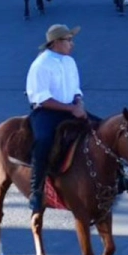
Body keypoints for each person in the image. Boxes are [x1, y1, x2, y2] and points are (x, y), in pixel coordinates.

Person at [25, 25, 86, 220]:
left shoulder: (69, 61)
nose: (72, 43)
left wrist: (78, 102)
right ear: (56, 43)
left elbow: (76, 88)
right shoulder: (41, 65)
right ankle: (36, 191)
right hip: (48, 112)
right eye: (68, 40)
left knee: (101, 129)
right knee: (43, 141)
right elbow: (42, 99)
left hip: (71, 107)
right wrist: (71, 109)